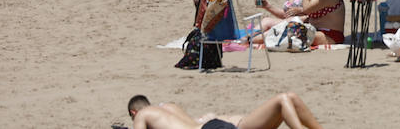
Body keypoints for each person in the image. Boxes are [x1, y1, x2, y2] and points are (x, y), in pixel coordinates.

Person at [126, 90, 326, 129]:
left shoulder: (143, 115)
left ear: (134, 112)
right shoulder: (168, 106)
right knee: (286, 97)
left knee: (284, 100)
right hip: (218, 124)